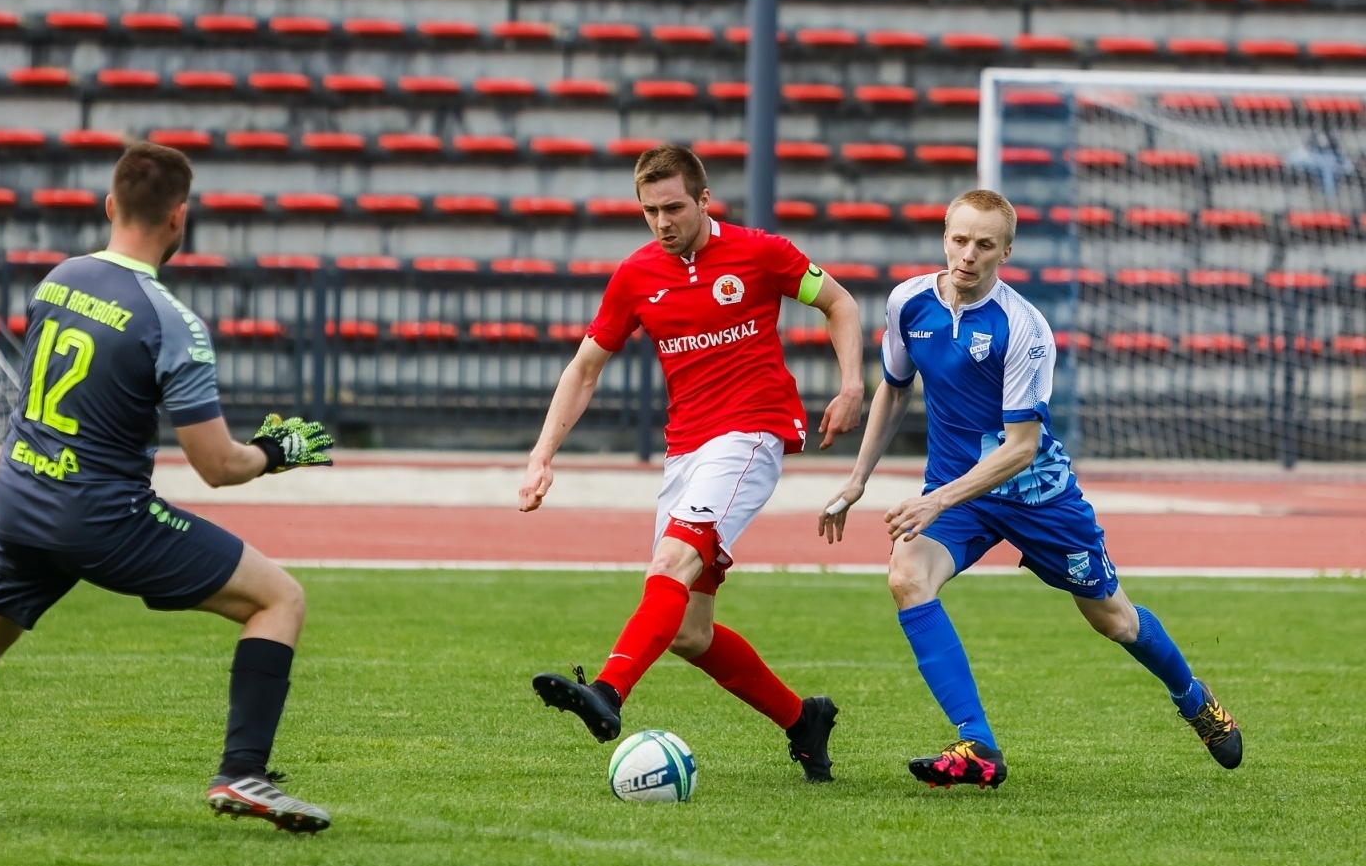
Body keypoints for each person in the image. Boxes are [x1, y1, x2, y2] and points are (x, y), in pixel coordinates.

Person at [0, 142, 338, 832]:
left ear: (109, 206)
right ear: (179, 218)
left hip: (20, 502)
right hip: (104, 516)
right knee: (280, 598)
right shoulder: (173, 322)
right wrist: (273, 451)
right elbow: (217, 466)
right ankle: (242, 772)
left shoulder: (57, 280)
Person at [819, 188, 1242, 789]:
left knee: (1114, 620)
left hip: (1037, 497)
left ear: (1006, 251)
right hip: (959, 495)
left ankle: (1193, 697)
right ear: (944, 236)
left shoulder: (1024, 327)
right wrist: (857, 479)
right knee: (906, 577)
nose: (968, 254)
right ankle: (979, 745)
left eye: (984, 245)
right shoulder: (908, 303)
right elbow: (894, 385)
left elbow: (1020, 448)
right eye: (959, 239)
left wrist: (937, 497)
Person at [521, 144, 866, 782]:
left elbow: (839, 303)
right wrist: (543, 456)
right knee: (688, 631)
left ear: (705, 200)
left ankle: (608, 691)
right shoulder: (635, 274)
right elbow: (585, 368)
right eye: (649, 209)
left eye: (673, 206)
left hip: (751, 435)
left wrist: (850, 385)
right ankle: (803, 719)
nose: (661, 220)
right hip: (687, 449)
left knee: (670, 561)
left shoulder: (761, 252)